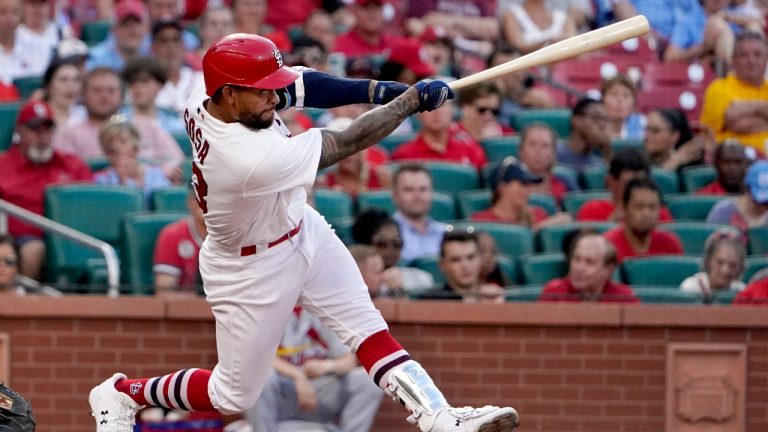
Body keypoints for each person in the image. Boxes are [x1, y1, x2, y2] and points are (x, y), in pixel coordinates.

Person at [88, 33, 519, 432]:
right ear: (230, 93)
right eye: (262, 90)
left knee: (367, 327)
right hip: (249, 266)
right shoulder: (244, 157)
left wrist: (375, 90)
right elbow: (345, 142)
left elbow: (305, 85)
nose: (275, 97)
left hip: (300, 226)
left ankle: (437, 414)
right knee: (232, 393)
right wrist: (407, 104)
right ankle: (123, 394)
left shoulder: (214, 94)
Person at [247, 303, 383, 432]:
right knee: (260, 377)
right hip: (281, 394)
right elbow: (257, 356)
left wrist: (327, 366)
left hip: (320, 393)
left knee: (368, 380)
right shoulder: (266, 307)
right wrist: (298, 376)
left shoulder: (325, 309)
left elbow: (349, 361)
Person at [0, 100, 92, 281]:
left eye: (47, 130)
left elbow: (92, 206)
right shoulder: (3, 165)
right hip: (18, 239)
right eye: (35, 130)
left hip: (71, 238)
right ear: (19, 131)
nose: (42, 137)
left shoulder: (72, 164)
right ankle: (26, 305)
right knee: (33, 249)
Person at [52, 67, 184, 180]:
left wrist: (160, 173)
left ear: (122, 95)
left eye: (111, 91)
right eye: (97, 90)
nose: (104, 96)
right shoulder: (68, 132)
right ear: (84, 95)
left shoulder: (147, 126)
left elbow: (175, 161)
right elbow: (63, 173)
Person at [700, 32, 768, 156]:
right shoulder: (718, 88)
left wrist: (745, 107)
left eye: (758, 55)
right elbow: (738, 125)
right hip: (732, 164)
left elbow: (740, 124)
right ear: (733, 60)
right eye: (744, 55)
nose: (751, 61)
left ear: (766, 59)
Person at [351, 208, 435, 296]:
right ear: (365, 244)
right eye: (382, 243)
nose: (390, 249)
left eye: (397, 242)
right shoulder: (353, 283)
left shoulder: (419, 278)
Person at [577, 147, 674, 222]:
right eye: (629, 184)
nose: (636, 191)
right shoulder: (591, 211)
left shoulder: (660, 214)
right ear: (610, 182)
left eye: (641, 184)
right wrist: (612, 222)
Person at [471, 156, 571, 229]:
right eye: (522, 184)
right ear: (502, 187)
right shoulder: (481, 220)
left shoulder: (537, 214)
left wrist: (539, 228)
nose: (528, 190)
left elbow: (566, 219)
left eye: (528, 185)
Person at [539, 230, 639, 303]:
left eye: (589, 262)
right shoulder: (554, 293)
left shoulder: (624, 298)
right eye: (576, 259)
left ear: (608, 269)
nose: (579, 268)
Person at [94, 116, 171, 207]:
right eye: (109, 143)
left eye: (122, 141)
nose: (115, 147)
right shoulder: (101, 179)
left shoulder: (157, 174)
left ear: (136, 146)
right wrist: (122, 179)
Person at [603, 177, 684, 263]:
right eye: (639, 206)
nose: (646, 213)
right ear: (624, 208)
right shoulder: (608, 245)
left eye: (652, 207)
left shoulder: (670, 244)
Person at [392, 98, 487, 171]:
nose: (437, 112)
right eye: (429, 105)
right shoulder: (403, 155)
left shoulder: (472, 151)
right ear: (418, 112)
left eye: (442, 104)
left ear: (452, 110)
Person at [414, 228, 506, 303]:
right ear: (442, 265)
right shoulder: (430, 302)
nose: (465, 265)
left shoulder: (496, 298)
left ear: (480, 259)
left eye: (470, 258)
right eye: (456, 260)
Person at [315, 117, 391, 197]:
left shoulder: (382, 177)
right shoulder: (324, 183)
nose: (348, 155)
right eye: (341, 149)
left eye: (352, 147)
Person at [153, 186, 206, 296]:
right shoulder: (172, 235)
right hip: (188, 311)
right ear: (189, 202)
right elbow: (164, 294)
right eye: (200, 197)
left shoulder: (239, 235)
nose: (205, 202)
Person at [390, 164, 448, 264]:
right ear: (395, 195)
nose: (417, 196)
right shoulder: (385, 236)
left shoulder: (446, 233)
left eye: (423, 189)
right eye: (409, 190)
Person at [488, 43, 555, 127]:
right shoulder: (481, 100)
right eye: (503, 67)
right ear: (489, 72)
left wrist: (548, 108)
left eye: (517, 66)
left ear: (526, 70)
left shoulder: (536, 99)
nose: (512, 73)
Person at [151, 19, 205, 116]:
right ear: (153, 48)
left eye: (175, 40)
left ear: (183, 46)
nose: (170, 46)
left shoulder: (201, 80)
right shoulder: (146, 86)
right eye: (164, 41)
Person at [121, 57, 187, 136]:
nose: (137, 87)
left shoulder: (178, 128)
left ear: (159, 85)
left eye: (144, 81)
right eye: (132, 82)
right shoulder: (118, 124)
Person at [518, 122, 579, 205]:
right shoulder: (509, 185)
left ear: (553, 153)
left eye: (545, 146)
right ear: (521, 150)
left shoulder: (565, 184)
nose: (538, 151)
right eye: (532, 144)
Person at [680, 229, 746, 302]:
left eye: (733, 265)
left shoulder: (741, 291)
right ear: (709, 261)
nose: (725, 270)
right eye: (720, 263)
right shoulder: (691, 288)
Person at [85, 0, 150, 72]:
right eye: (125, 24)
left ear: (146, 28)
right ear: (114, 29)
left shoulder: (153, 53)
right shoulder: (97, 58)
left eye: (137, 23)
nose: (132, 30)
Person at [707, 160, 768, 231]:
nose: (763, 207)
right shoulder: (724, 211)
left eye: (767, 203)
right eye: (758, 202)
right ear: (747, 189)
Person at [501, 0, 577, 55]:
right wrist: (549, 42)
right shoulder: (512, 14)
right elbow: (518, 48)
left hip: (561, 72)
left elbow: (574, 46)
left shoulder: (564, 17)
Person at [556, 98, 611, 170]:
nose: (602, 125)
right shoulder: (551, 152)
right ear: (576, 120)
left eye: (606, 120)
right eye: (596, 118)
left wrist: (607, 151)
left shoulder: (598, 164)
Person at [334, 0, 401, 58]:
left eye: (377, 7)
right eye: (366, 7)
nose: (372, 13)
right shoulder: (339, 44)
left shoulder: (396, 44)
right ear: (355, 11)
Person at [186, 5, 235, 71]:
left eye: (226, 24)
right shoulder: (188, 61)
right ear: (202, 29)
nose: (220, 29)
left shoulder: (242, 62)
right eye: (213, 24)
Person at [41, 59, 85, 126]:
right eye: (63, 80)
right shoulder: (39, 115)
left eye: (76, 80)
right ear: (48, 86)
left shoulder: (86, 115)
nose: (71, 86)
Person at [601, 74, 645, 141]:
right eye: (614, 94)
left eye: (626, 96)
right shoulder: (594, 125)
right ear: (603, 99)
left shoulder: (644, 124)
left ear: (633, 102)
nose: (620, 100)